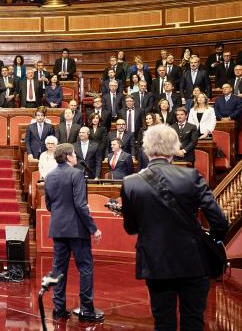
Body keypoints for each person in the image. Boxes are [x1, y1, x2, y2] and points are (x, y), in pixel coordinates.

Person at [121, 124, 228, 331]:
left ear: (146, 148)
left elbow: (131, 228)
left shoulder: (130, 182)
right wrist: (212, 241)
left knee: (163, 322)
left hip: (155, 261)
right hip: (194, 260)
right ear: (174, 148)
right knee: (193, 320)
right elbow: (220, 221)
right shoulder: (191, 176)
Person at [45, 143, 103, 322]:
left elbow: (49, 205)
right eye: (74, 154)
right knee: (85, 268)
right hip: (77, 229)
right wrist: (94, 228)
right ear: (68, 157)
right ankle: (86, 309)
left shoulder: (49, 175)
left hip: (58, 228)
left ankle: (58, 308)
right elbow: (80, 204)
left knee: (58, 269)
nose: (76, 157)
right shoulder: (76, 173)